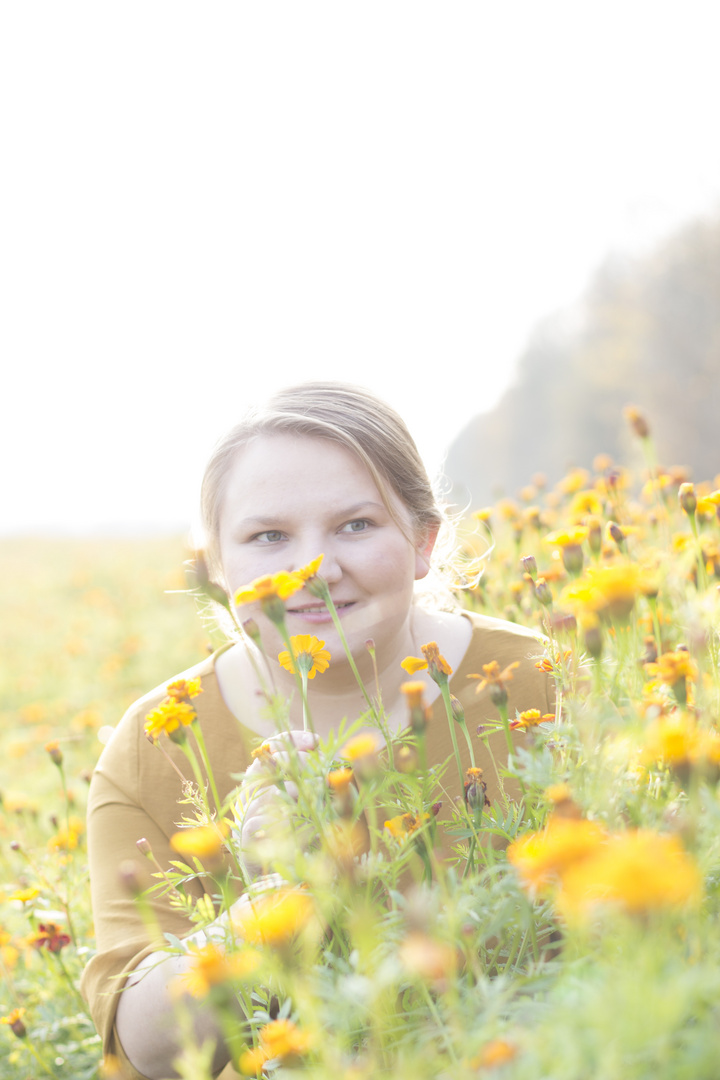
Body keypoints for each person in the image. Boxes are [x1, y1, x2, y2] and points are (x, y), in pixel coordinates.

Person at [81, 382, 554, 1080]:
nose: (317, 571)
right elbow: (152, 1051)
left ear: (423, 542)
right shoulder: (158, 743)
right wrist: (274, 896)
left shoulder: (541, 685)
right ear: (217, 569)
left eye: (356, 525)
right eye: (269, 536)